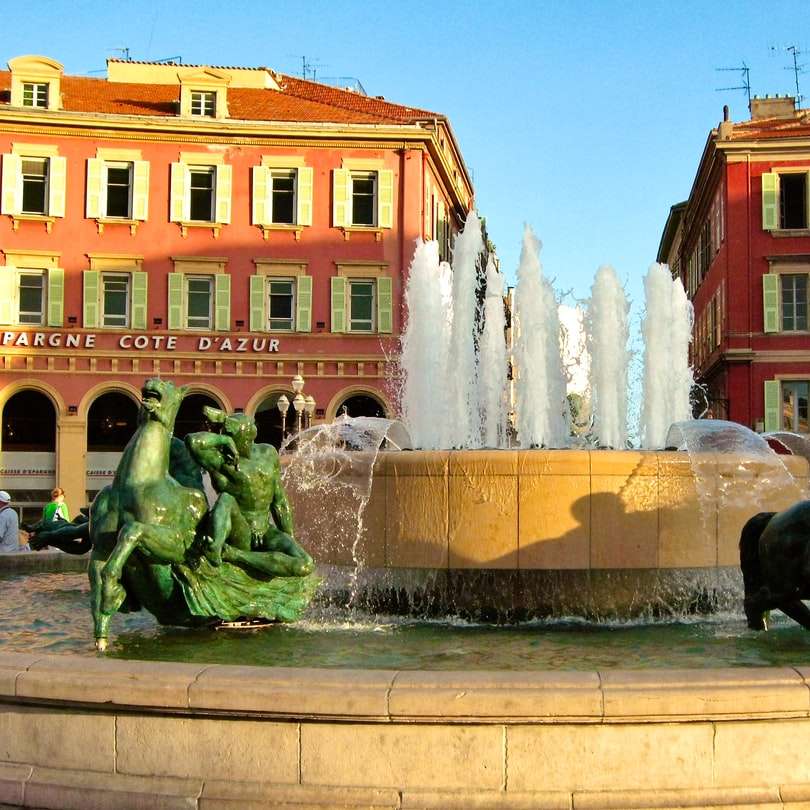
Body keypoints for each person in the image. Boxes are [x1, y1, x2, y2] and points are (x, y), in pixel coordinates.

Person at [185, 407, 314, 578]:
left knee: (305, 564)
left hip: (265, 530)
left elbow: (279, 502)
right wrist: (222, 440)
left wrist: (288, 537)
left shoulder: (268, 453)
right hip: (240, 531)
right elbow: (192, 441)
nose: (233, 441)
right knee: (226, 499)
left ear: (249, 436)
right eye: (229, 437)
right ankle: (215, 548)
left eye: (234, 437)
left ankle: (235, 555)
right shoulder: (222, 461)